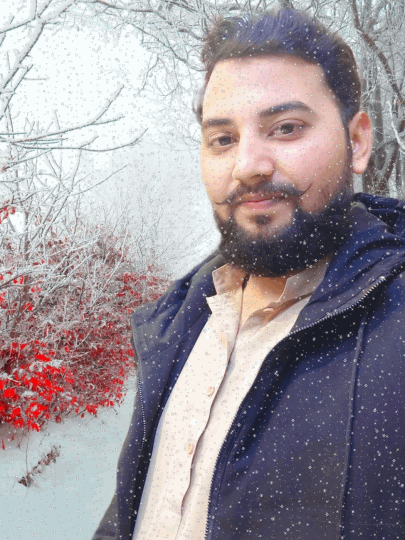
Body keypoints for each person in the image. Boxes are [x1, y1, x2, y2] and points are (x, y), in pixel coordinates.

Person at [93, 8, 405, 540]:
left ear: (357, 142)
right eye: (223, 139)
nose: (248, 165)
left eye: (286, 128)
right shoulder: (178, 323)